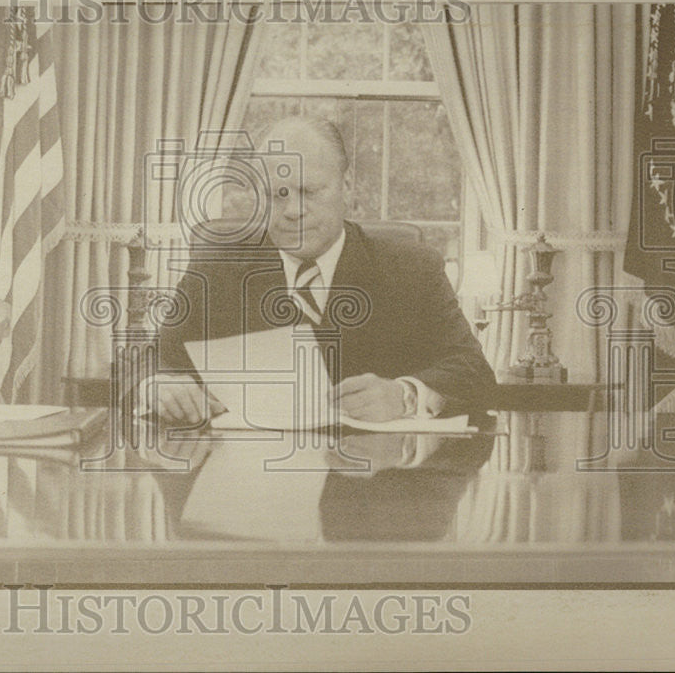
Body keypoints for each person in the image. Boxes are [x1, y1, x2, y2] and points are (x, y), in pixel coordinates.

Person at [138, 115, 496, 540]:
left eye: (310, 191)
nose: (293, 211)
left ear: (346, 189)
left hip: (375, 511)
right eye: (278, 194)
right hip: (244, 508)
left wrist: (402, 395)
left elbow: (474, 371)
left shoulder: (410, 269)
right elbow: (148, 361)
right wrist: (158, 385)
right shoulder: (218, 265)